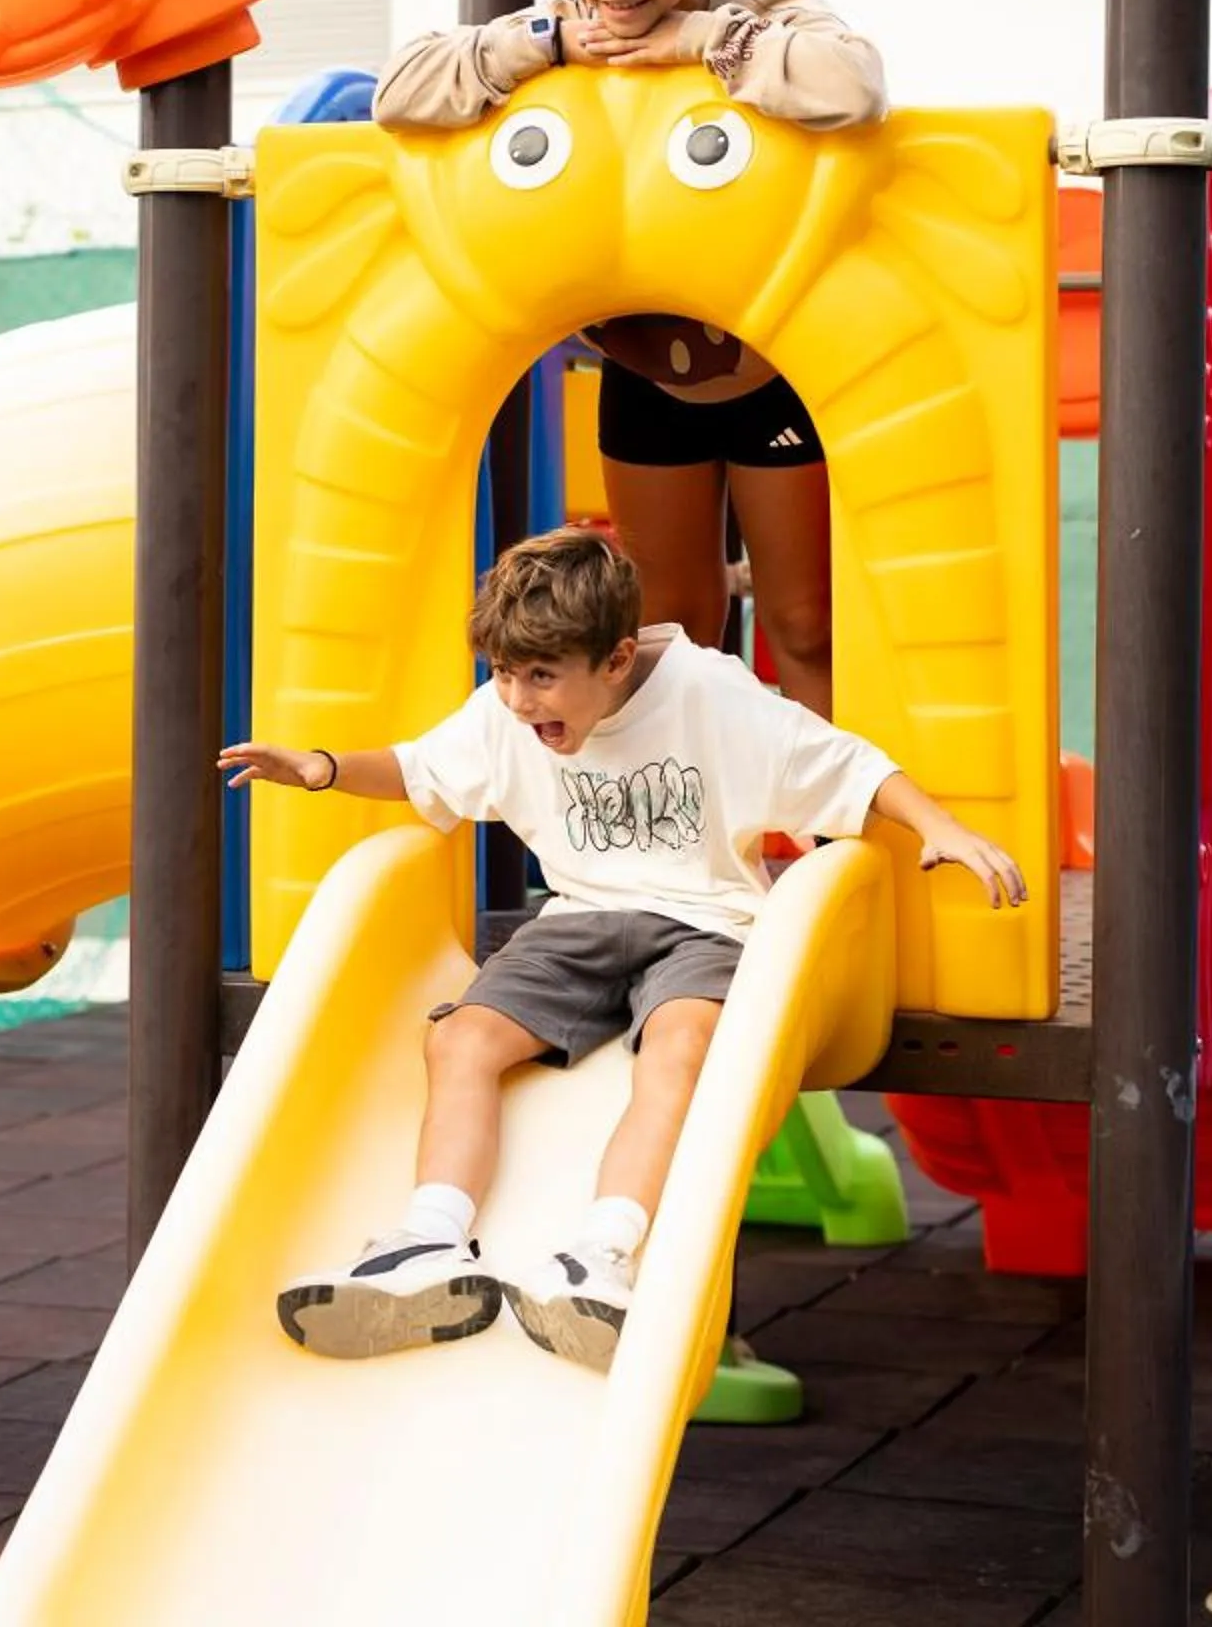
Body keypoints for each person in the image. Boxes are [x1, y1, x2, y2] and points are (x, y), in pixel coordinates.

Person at [217, 528, 1022, 1374]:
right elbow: (422, 769)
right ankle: (430, 1241)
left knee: (681, 1045)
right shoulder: (508, 714)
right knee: (460, 1039)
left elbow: (847, 766)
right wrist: (320, 767)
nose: (518, 700)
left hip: (707, 923)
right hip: (578, 920)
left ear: (616, 660)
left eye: (540, 677)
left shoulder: (709, 695)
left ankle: (600, 1256)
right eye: (504, 674)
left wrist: (942, 828)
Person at [371, 0, 891, 720]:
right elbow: (398, 91)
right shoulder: (570, 23)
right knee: (670, 631)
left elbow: (856, 85)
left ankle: (824, 811)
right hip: (647, 367)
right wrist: (540, 45)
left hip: (774, 368)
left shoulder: (764, 15)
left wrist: (701, 42)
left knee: (807, 624)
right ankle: (689, 811)